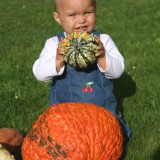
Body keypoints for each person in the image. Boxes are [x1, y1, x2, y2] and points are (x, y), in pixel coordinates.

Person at [33, 0, 131, 145]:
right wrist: (58, 60)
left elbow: (117, 72)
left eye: (87, 12)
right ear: (58, 17)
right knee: (65, 143)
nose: (81, 20)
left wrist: (103, 57)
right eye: (72, 15)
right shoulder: (54, 44)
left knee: (109, 141)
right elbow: (39, 73)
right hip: (67, 118)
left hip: (101, 115)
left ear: (95, 11)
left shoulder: (103, 40)